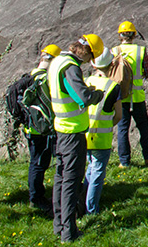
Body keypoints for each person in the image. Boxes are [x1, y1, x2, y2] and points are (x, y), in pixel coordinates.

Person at [49, 34, 105, 242]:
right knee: (71, 182)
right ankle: (68, 232)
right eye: (91, 56)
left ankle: (58, 225)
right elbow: (84, 98)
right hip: (73, 133)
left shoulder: (57, 62)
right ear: (87, 50)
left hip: (61, 129)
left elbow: (66, 92)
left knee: (61, 179)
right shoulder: (71, 67)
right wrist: (96, 94)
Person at [112, 21, 148, 168]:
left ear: (120, 35)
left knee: (122, 128)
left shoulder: (114, 51)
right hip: (137, 96)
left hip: (121, 96)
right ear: (134, 35)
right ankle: (147, 156)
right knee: (143, 126)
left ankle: (124, 161)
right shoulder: (140, 51)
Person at [82, 51, 123, 214]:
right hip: (101, 137)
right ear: (111, 65)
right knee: (97, 171)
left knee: (90, 167)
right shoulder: (114, 86)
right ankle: (91, 208)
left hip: (84, 134)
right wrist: (108, 124)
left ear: (92, 64)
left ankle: (82, 199)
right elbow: (118, 115)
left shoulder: (85, 82)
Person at [25, 45, 60, 212]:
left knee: (36, 163)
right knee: (40, 164)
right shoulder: (46, 79)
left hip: (32, 127)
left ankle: (36, 195)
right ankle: (37, 198)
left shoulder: (30, 76)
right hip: (44, 129)